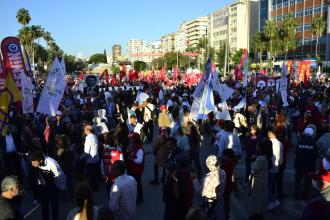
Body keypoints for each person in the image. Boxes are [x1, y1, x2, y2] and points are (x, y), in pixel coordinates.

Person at [30, 150, 66, 220]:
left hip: (53, 186)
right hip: (43, 187)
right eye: (32, 163)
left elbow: (60, 176)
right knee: (44, 206)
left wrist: (61, 187)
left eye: (34, 163)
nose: (32, 165)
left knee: (54, 205)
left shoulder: (52, 163)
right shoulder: (37, 163)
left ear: (40, 161)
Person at [191, 155, 226, 220]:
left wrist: (194, 179)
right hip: (219, 203)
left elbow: (201, 191)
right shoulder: (223, 172)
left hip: (210, 205)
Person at [249, 139, 273, 220]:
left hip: (257, 182)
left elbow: (253, 170)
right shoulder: (267, 157)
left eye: (257, 145)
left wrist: (252, 160)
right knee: (261, 199)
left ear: (261, 148)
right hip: (263, 181)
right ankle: (260, 214)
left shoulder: (260, 158)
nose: (256, 146)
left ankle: (257, 215)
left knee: (257, 199)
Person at [294, 127, 318, 200]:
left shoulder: (300, 141)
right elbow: (316, 155)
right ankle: (305, 196)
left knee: (297, 180)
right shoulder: (314, 143)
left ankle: (297, 196)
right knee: (307, 181)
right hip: (310, 166)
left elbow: (296, 152)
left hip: (299, 164)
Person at [267, 125, 283, 209]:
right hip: (276, 168)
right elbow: (281, 159)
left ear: (271, 133)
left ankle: (273, 201)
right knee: (271, 185)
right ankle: (271, 201)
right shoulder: (280, 143)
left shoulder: (267, 142)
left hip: (268, 168)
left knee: (267, 187)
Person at [126, 132, 144, 204]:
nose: (130, 140)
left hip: (137, 170)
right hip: (132, 169)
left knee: (138, 184)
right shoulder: (133, 146)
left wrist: (131, 159)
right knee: (134, 184)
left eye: (131, 139)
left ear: (135, 140)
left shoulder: (139, 149)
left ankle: (140, 198)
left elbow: (140, 161)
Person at [80, 125, 99, 192]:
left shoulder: (88, 138)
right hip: (95, 159)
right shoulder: (94, 136)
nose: (84, 131)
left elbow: (86, 152)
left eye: (85, 129)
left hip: (90, 160)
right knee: (94, 175)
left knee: (91, 176)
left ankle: (93, 189)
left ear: (87, 130)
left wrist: (80, 158)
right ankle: (95, 188)